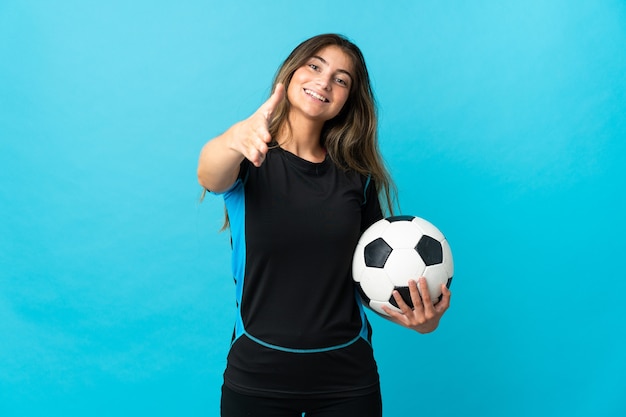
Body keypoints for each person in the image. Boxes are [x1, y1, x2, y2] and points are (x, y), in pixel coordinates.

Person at [197, 33, 451, 417]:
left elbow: (376, 279)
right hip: (258, 376)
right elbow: (209, 175)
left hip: (347, 380)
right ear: (292, 70)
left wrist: (421, 321)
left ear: (348, 99)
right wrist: (234, 138)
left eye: (341, 79)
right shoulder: (249, 157)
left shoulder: (359, 179)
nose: (324, 82)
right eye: (315, 66)